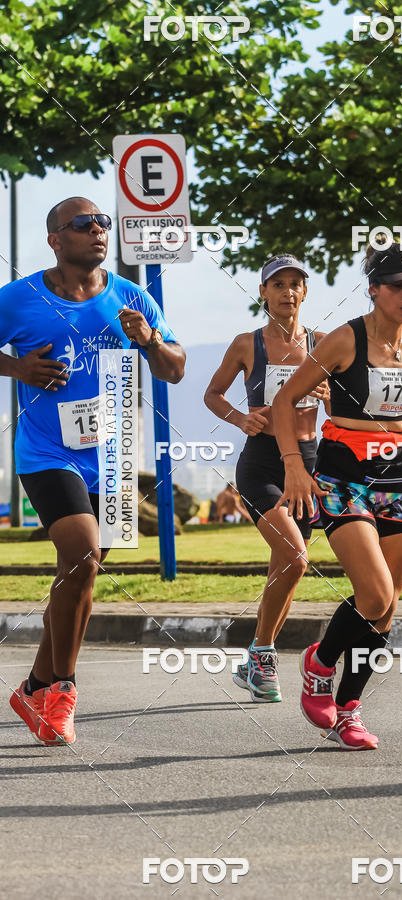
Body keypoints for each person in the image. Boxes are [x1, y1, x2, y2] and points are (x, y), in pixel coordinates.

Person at [272, 242, 402, 750]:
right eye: (399, 287)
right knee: (375, 593)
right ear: (375, 290)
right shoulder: (344, 341)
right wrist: (295, 466)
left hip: (400, 475)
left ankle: (349, 709)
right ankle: (319, 663)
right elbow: (284, 399)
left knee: (387, 608)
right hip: (345, 474)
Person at [0, 197, 185, 744]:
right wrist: (17, 366)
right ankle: (62, 688)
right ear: (56, 239)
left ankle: (33, 684)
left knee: (80, 572)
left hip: (113, 453)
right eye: (84, 225)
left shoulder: (130, 297)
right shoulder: (20, 297)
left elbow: (175, 370)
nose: (99, 230)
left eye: (104, 222)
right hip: (48, 452)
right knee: (79, 551)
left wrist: (149, 340)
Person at [204, 253, 329, 702]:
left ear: (305, 291)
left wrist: (329, 394)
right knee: (296, 558)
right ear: (263, 293)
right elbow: (212, 394)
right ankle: (262, 655)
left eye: (296, 283)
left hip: (308, 464)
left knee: (285, 567)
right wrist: (240, 419)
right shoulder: (246, 344)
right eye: (278, 284)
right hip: (261, 464)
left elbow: (346, 410)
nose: (288, 292)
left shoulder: (325, 344)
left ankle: (259, 658)